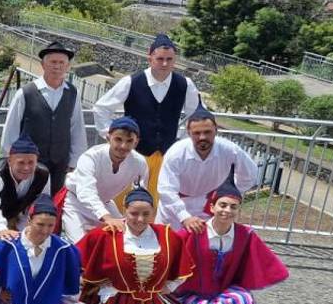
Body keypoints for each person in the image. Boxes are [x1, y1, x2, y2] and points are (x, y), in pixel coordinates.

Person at [174, 167, 289, 304]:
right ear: (212, 206)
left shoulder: (244, 234)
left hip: (222, 290)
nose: (227, 210)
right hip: (191, 294)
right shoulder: (194, 231)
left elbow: (262, 261)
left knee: (242, 301)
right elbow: (171, 254)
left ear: (238, 210)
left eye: (233, 207)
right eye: (223, 205)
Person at [77, 184, 204, 304]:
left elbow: (181, 269)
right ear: (124, 211)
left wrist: (166, 288)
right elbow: (76, 257)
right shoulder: (107, 234)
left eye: (146, 213)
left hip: (154, 300)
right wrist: (97, 284)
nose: (140, 219)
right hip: (117, 300)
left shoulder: (167, 235)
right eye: (134, 213)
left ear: (153, 212)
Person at [92, 34, 199, 195]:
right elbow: (101, 108)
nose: (164, 63)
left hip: (167, 156)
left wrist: (183, 140)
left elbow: (197, 115)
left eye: (169, 59)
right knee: (125, 201)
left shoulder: (185, 84)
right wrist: (110, 135)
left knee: (161, 201)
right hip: (133, 155)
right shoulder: (131, 81)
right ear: (150, 58)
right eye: (160, 58)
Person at [157, 102, 263, 232]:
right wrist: (184, 217)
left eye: (207, 132)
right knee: (170, 247)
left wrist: (227, 193)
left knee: (206, 248)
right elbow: (166, 189)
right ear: (189, 133)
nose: (202, 137)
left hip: (209, 206)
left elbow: (250, 175)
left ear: (216, 130)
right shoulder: (176, 153)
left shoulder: (230, 150)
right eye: (197, 133)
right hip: (175, 208)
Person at [0, 40, 88, 194]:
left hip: (59, 164)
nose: (57, 66)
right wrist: (10, 158)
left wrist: (75, 161)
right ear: (43, 65)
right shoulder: (26, 93)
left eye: (61, 62)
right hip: (28, 164)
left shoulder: (73, 93)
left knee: (53, 206)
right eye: (53, 62)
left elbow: (76, 127)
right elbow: (11, 128)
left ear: (67, 66)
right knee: (26, 204)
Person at [62, 117, 148, 242]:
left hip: (106, 203)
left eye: (129, 141)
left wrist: (134, 217)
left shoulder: (139, 162)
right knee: (81, 244)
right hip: (76, 204)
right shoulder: (90, 157)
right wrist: (107, 218)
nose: (123, 146)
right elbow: (86, 192)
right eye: (118, 139)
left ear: (136, 142)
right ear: (108, 137)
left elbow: (138, 194)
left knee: (125, 240)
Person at [0, 134, 51, 242]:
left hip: (10, 208)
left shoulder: (43, 174)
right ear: (10, 161)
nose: (26, 168)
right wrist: (1, 228)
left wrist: (25, 231)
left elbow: (40, 205)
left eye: (31, 162)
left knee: (17, 239)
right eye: (21, 162)